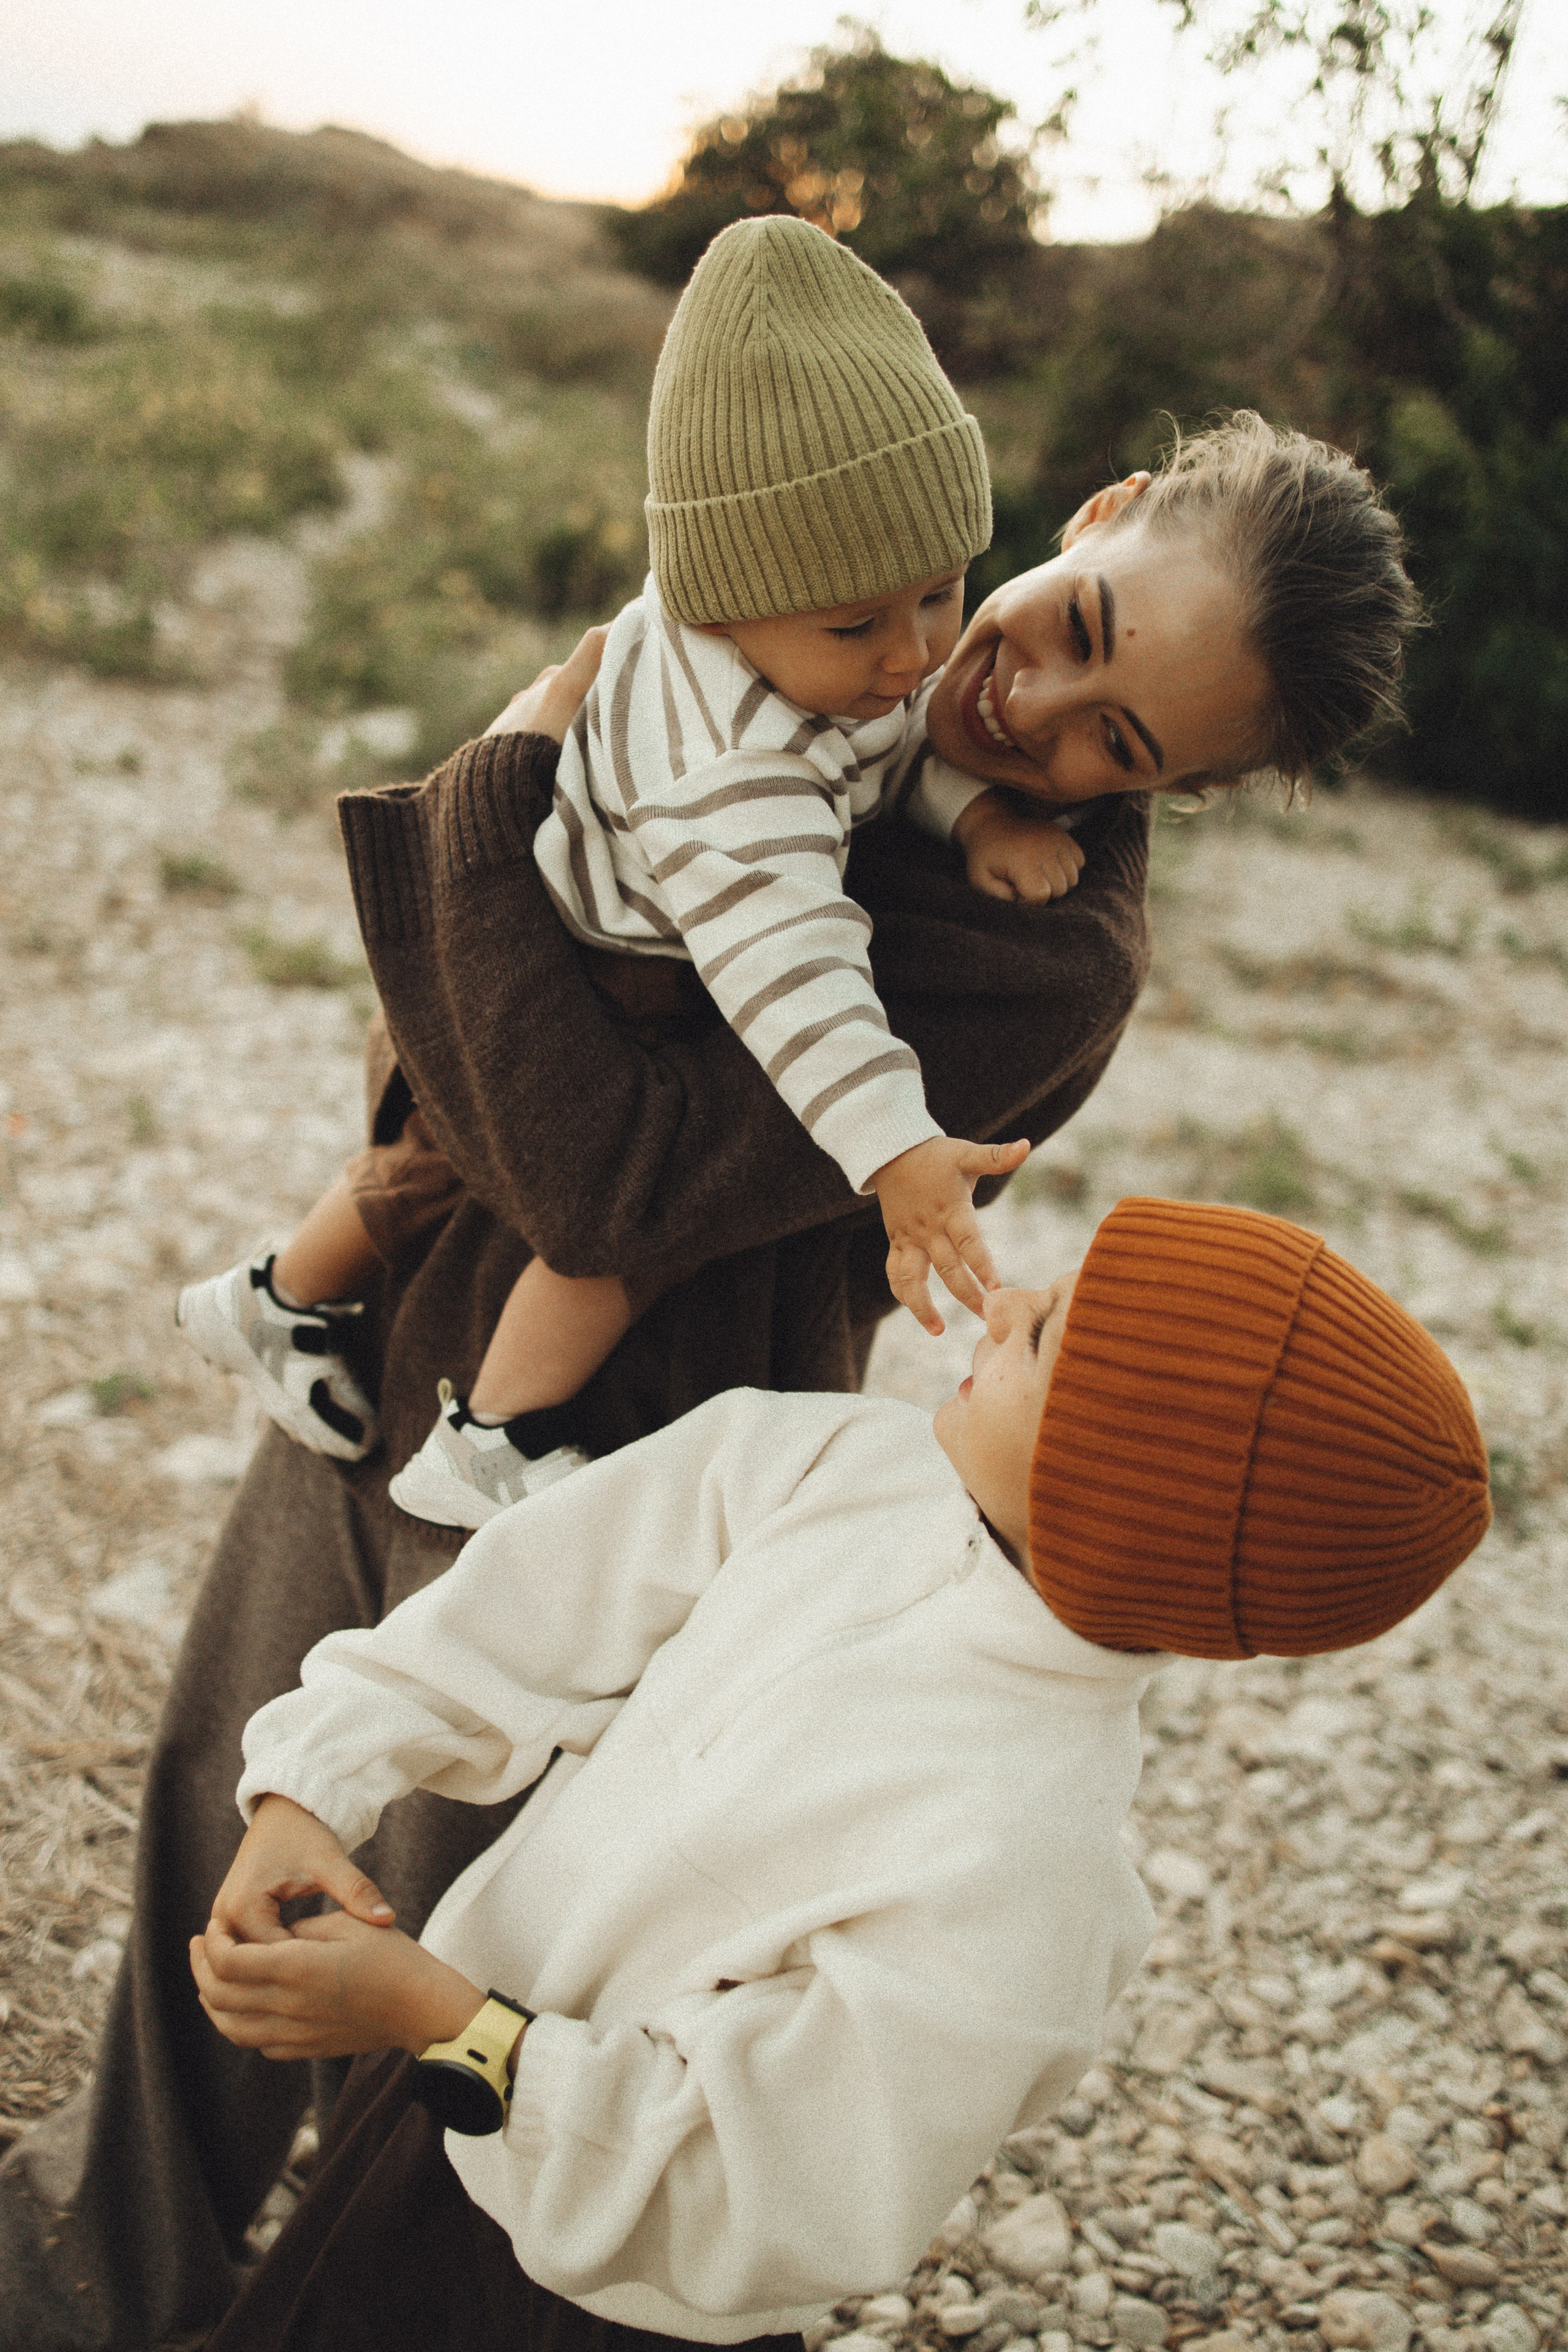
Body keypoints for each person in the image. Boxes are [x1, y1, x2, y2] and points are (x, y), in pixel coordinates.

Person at [0, 409, 1417, 2352]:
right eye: (1077, 621)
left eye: (1123, 744)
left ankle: (341, 2291)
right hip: (409, 1309)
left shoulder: (1040, 954)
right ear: (1097, 513)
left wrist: (492, 794)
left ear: (1180, 790)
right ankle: (90, 2261)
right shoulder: (804, 613)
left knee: (439, 1899)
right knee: (232, 1777)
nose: (1030, 706)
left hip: (623, 1437)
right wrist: (444, 1058)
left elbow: (598, 1173)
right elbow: (459, 1047)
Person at [186, 1196, 1491, 2352]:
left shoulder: (1026, 1858)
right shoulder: (826, 1463)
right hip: (422, 2112)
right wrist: (310, 1791)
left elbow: (773, 2186)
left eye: (1045, 1336)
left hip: (625, 2294)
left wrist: (450, 2023)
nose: (1005, 1302)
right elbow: (520, 1611)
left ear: (1120, 1493)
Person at [176, 217, 1084, 1529]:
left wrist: (971, 813)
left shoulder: (792, 637)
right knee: (635, 1216)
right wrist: (894, 1146)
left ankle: (274, 1298)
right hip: (608, 969)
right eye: (861, 625)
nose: (911, 655)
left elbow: (885, 746)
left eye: (942, 593)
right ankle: (494, 1435)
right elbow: (797, 974)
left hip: (574, 900)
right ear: (721, 598)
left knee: (442, 1151)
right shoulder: (737, 772)